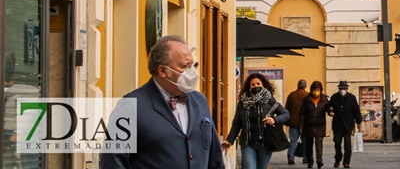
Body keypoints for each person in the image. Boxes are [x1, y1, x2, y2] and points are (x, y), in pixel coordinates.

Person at [101, 35, 224, 169]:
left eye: (192, 65)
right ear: (163, 71)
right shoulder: (131, 106)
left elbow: (215, 158)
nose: (192, 72)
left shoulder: (200, 101)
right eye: (184, 66)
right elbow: (113, 162)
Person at [224, 73, 291, 169]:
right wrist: (229, 140)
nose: (256, 86)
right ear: (249, 87)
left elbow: (286, 114)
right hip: (247, 144)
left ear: (263, 85)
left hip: (265, 144)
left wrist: (274, 120)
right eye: (253, 84)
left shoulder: (269, 100)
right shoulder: (243, 102)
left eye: (258, 84)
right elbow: (237, 123)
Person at [324, 81, 362, 168]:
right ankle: (338, 158)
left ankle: (346, 162)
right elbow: (329, 108)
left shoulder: (352, 98)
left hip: (348, 124)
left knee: (347, 144)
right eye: (341, 89)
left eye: (344, 89)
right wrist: (330, 112)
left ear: (347, 89)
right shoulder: (334, 97)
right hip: (338, 125)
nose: (342, 90)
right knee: (337, 143)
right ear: (339, 89)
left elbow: (356, 110)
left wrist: (358, 121)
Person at [300, 81, 329, 169]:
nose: (316, 91)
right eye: (315, 89)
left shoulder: (324, 99)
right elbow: (302, 113)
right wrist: (300, 126)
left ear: (320, 90)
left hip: (320, 125)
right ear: (311, 90)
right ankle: (310, 162)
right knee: (309, 145)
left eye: (318, 90)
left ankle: (319, 161)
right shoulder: (306, 99)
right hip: (308, 125)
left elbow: (328, 109)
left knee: (319, 144)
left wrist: (331, 111)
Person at [285, 79, 309, 165]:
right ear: (305, 86)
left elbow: (286, 109)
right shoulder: (307, 95)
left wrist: (287, 122)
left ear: (297, 85)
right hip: (305, 124)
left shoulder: (291, 95)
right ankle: (305, 158)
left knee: (292, 141)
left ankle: (290, 158)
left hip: (293, 122)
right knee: (305, 141)